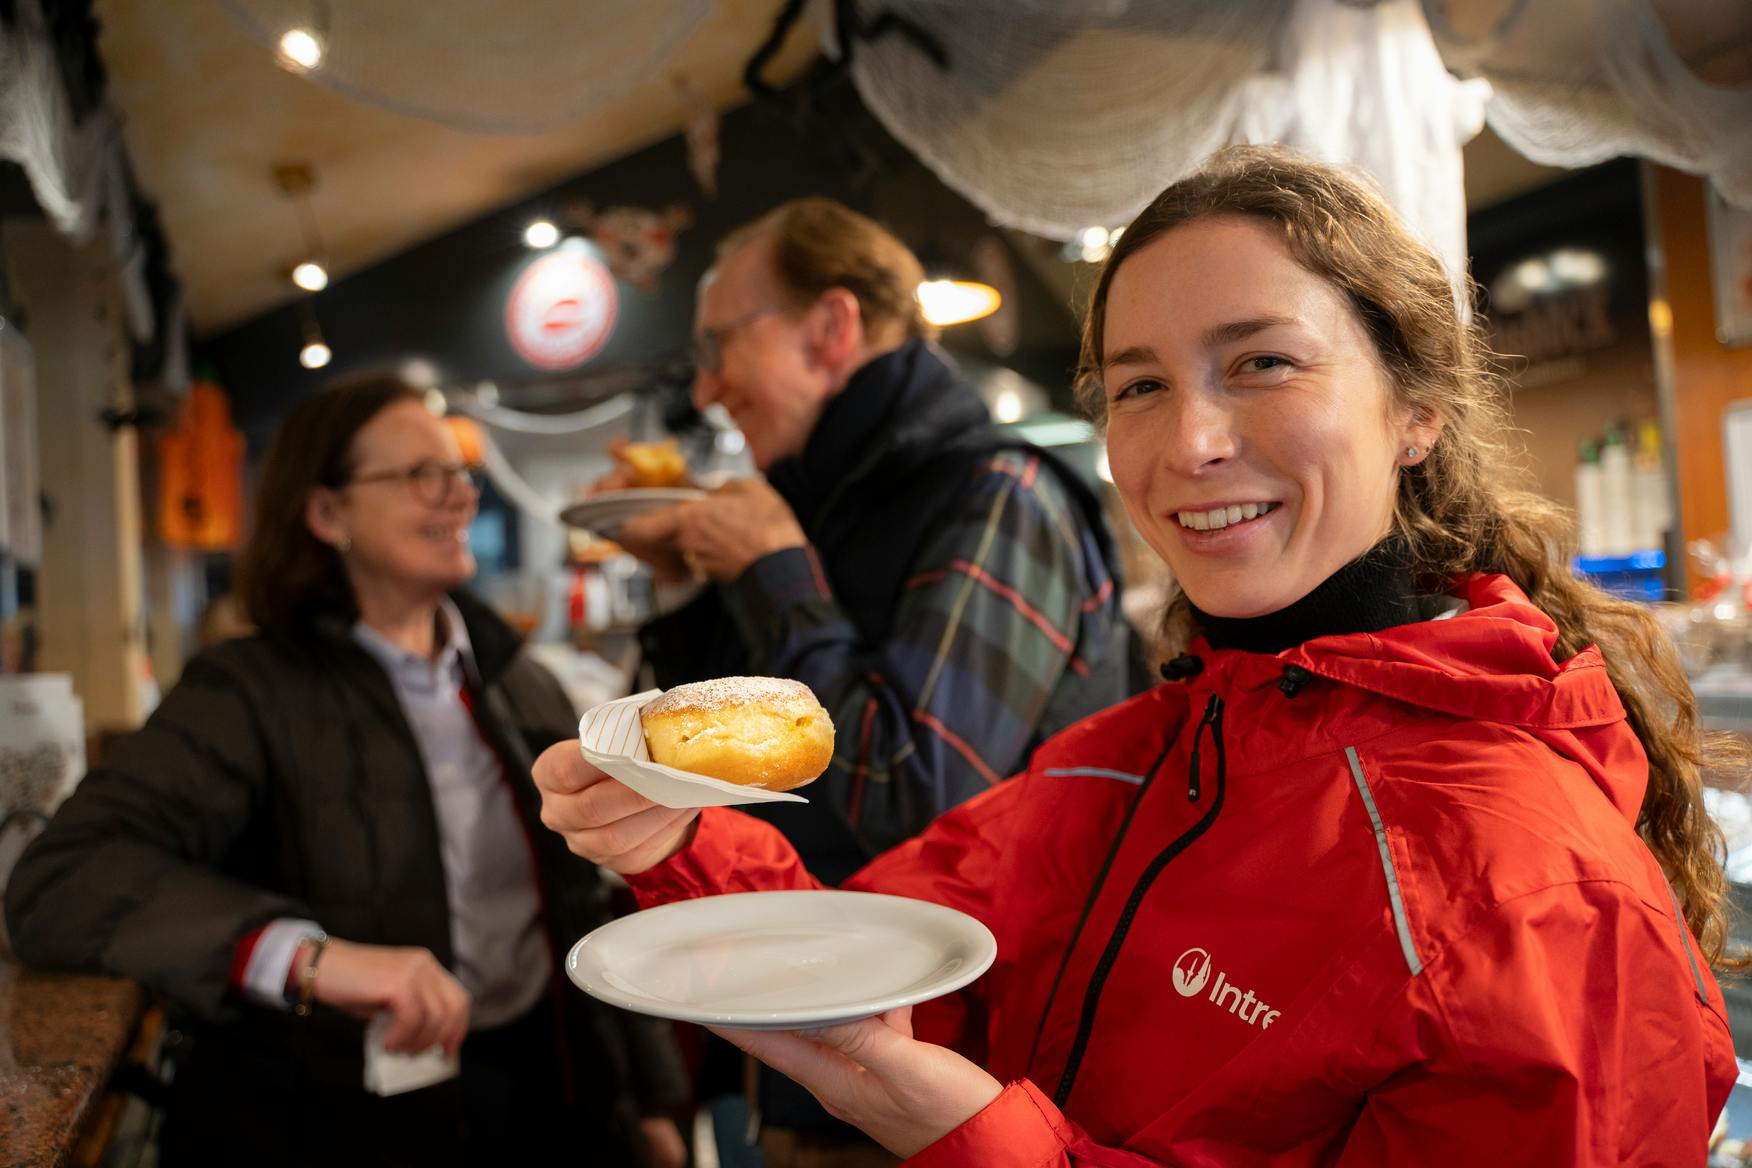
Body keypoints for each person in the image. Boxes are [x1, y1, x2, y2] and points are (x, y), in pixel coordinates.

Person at [532, 146, 1742, 1165]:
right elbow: (871, 932)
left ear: (1415, 409)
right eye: (1139, 385)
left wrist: (998, 1145)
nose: (1190, 441)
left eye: (1262, 361)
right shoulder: (1140, 754)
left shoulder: (1533, 891)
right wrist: (680, 840)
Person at [5, 376, 688, 1168]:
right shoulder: (249, 690)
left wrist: (648, 1101)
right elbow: (60, 879)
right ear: (328, 514)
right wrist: (306, 957)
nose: (458, 497)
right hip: (343, 1116)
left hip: (548, 1087)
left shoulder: (518, 680)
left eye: (460, 475)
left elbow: (591, 897)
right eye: (419, 476)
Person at [599, 197, 1138, 1162]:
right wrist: (690, 582)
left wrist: (774, 570)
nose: (711, 388)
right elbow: (728, 774)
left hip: (971, 1082)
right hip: (820, 1038)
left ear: (832, 328)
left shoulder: (997, 494)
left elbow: (913, 787)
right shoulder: (821, 502)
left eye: (723, 343)